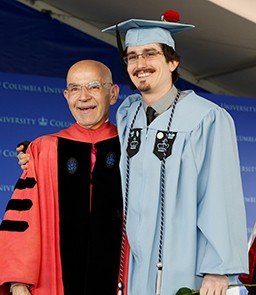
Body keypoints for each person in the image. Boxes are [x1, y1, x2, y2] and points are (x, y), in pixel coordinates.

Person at [102, 10, 249, 295]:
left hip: (187, 263)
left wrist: (217, 269)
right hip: (136, 264)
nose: (140, 64)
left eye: (150, 54)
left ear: (173, 61)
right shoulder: (128, 115)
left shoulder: (206, 118)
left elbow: (219, 195)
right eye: (132, 56)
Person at [0, 60, 123, 295]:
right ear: (66, 96)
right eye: (75, 88)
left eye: (94, 86)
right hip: (54, 283)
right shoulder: (44, 149)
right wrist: (18, 282)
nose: (83, 96)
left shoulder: (132, 147)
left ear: (113, 93)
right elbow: (23, 219)